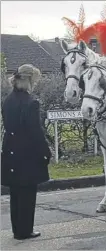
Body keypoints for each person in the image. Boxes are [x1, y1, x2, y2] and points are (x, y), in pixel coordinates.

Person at [1, 64, 51, 240]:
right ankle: (26, 230)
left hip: (10, 150)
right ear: (29, 80)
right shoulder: (31, 103)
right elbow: (35, 131)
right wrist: (46, 151)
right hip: (27, 152)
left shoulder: (8, 100)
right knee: (28, 194)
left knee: (15, 193)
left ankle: (17, 230)